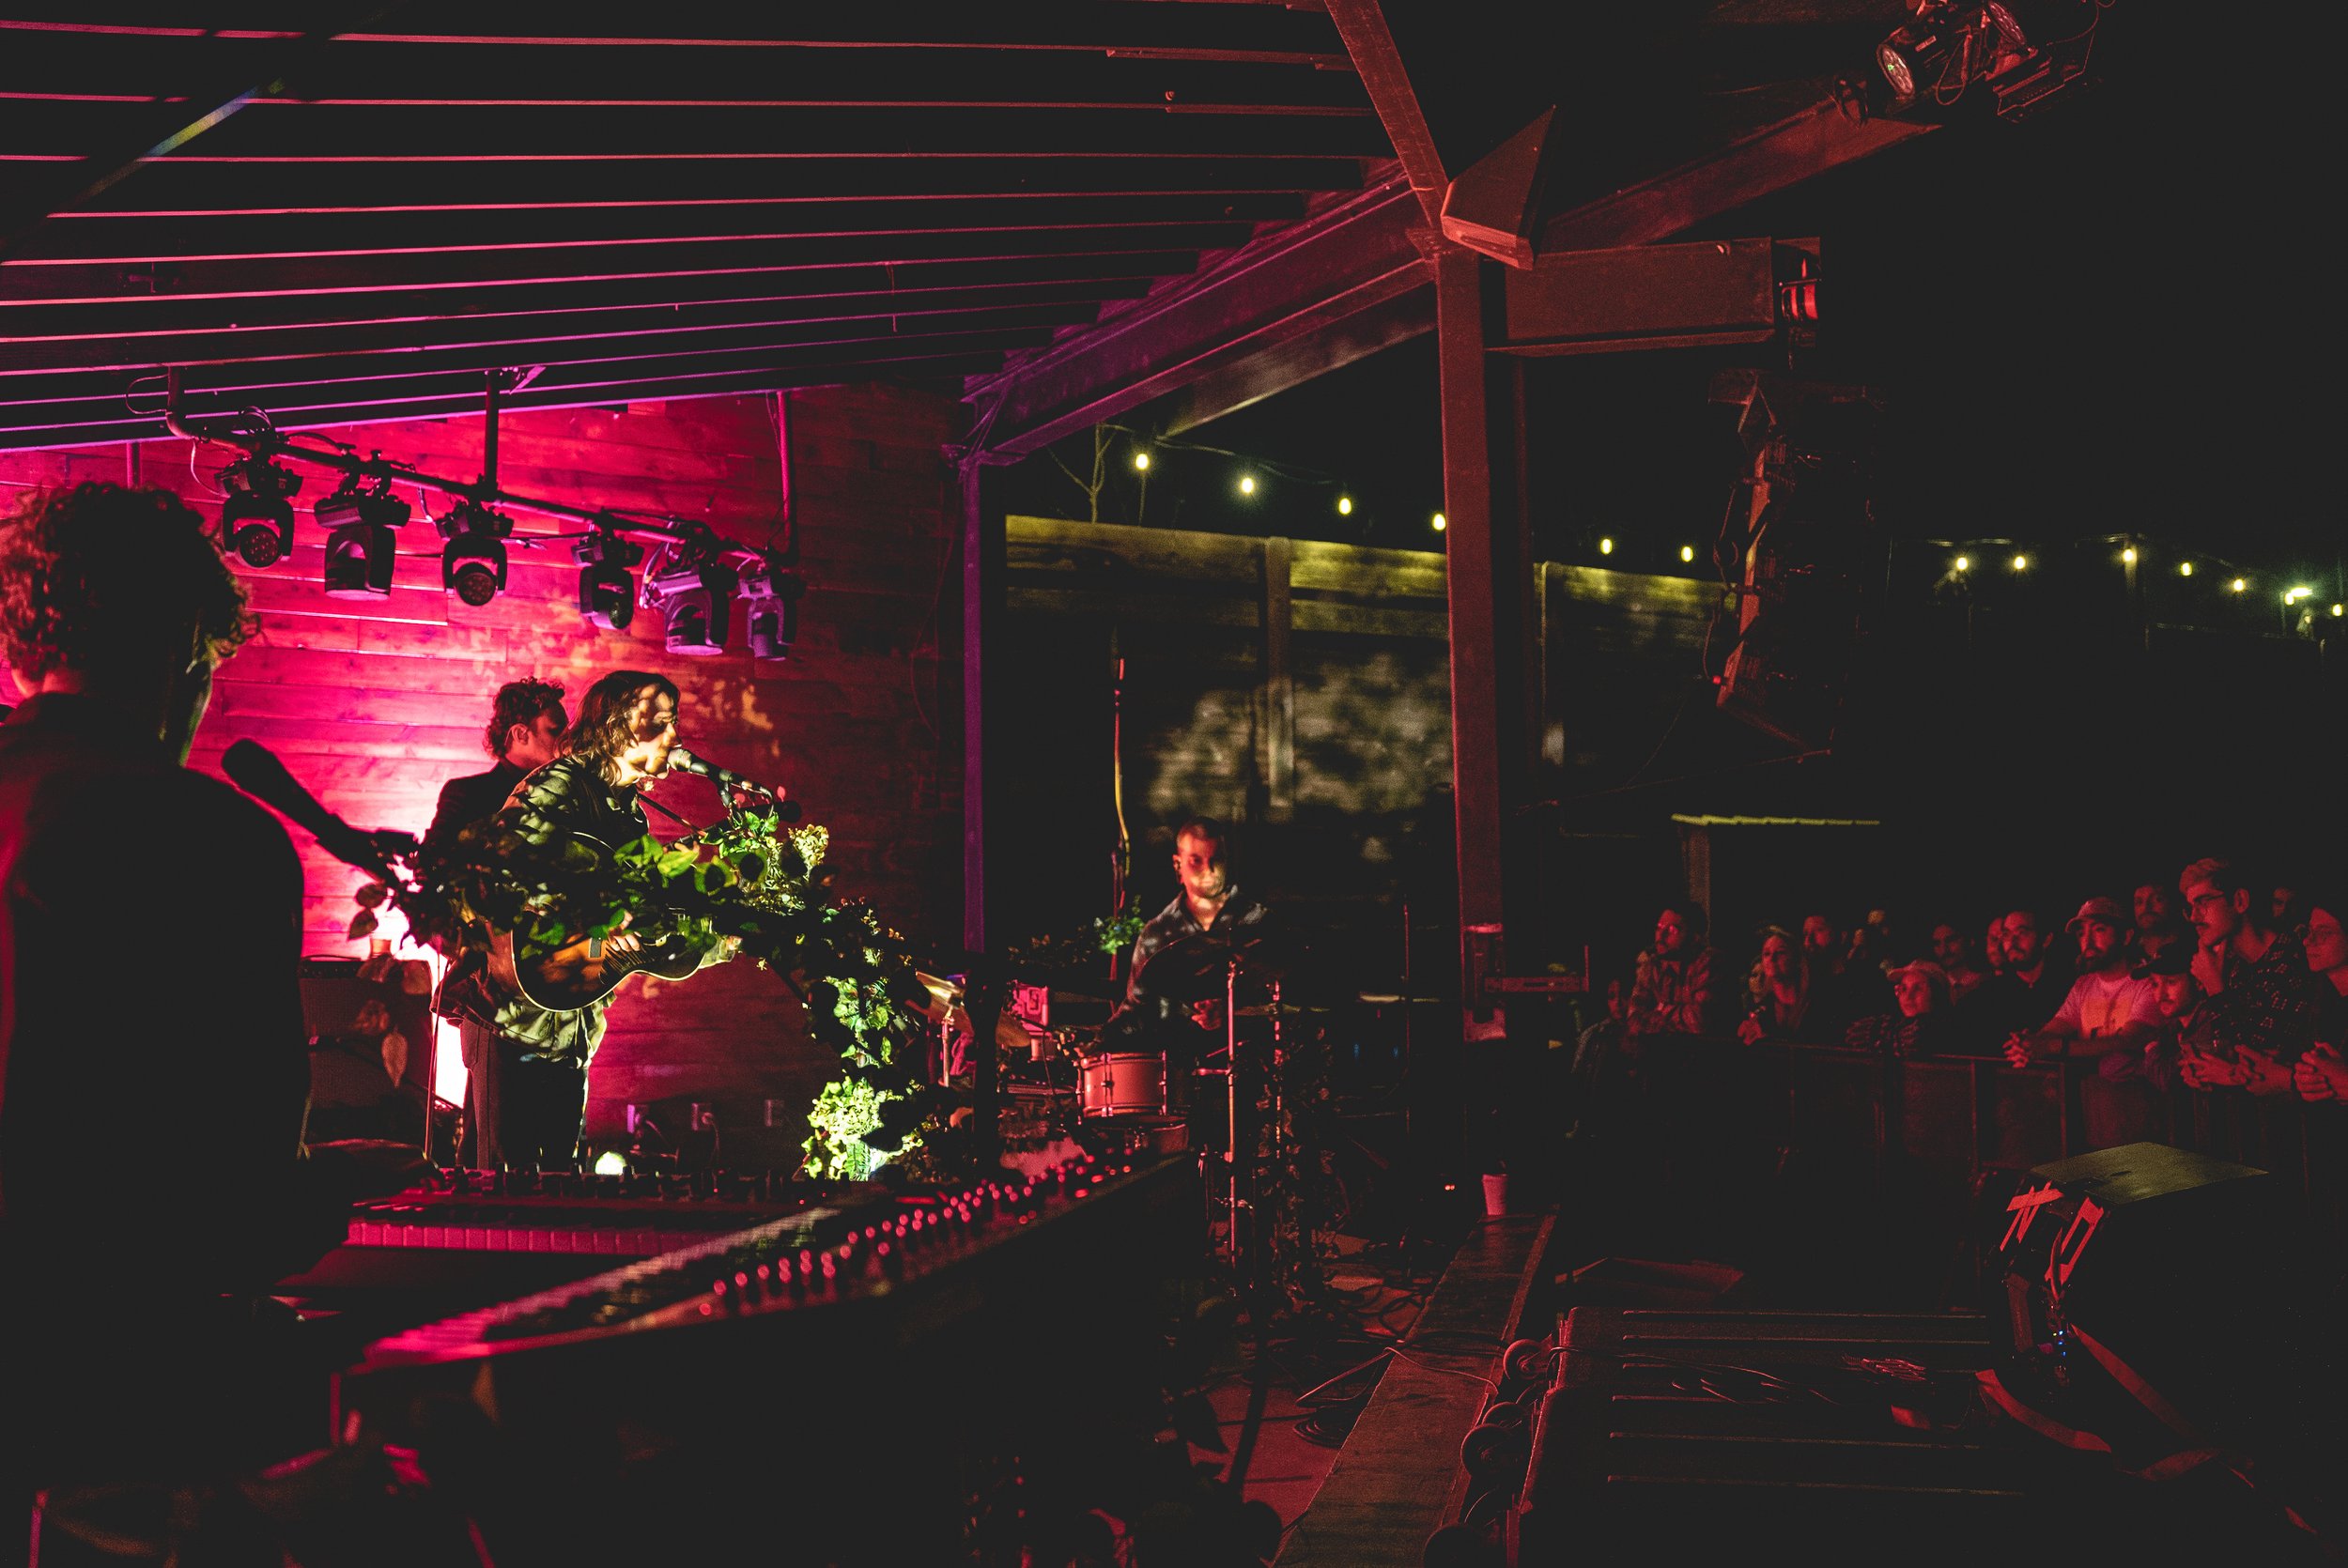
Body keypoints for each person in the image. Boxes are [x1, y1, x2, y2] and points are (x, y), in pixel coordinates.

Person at [0, 484, 347, 1519]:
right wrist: (337, 1192)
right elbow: (236, 1206)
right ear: (188, 647)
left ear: (25, 649)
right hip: (101, 1394)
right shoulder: (210, 835)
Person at [437, 669, 732, 1166]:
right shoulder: (552, 787)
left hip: (573, 1026)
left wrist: (727, 931)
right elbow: (487, 887)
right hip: (514, 1019)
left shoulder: (625, 811)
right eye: (659, 721)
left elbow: (645, 914)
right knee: (503, 1191)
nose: (675, 737)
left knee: (558, 1185)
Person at [425, 678, 569, 1165]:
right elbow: (432, 878)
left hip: (559, 994)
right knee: (498, 1147)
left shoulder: (566, 802)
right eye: (554, 729)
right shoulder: (469, 796)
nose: (563, 740)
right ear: (517, 734)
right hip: (495, 990)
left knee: (543, 1144)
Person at [1113, 817, 1271, 1102]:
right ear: (1178, 865)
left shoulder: (1259, 923)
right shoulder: (1157, 933)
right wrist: (1100, 1040)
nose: (1209, 870)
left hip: (1257, 1083)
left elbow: (1285, 1001)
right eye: (1196, 861)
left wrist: (1232, 1011)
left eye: (1216, 859)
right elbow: (1137, 1010)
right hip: (1179, 1084)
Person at [2181, 857, 2324, 1090]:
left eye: (2203, 902)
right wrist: (2198, 1065)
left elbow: (2258, 1055)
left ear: (2239, 901)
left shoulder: (2290, 960)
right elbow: (2226, 1046)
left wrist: (2216, 989)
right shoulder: (2233, 966)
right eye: (2190, 908)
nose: (2195, 917)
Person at [1625, 901, 1726, 1038]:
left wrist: (1660, 1008)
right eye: (1659, 928)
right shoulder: (1652, 966)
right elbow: (1634, 1019)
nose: (1661, 936)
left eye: (1672, 930)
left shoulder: (1709, 962)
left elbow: (1699, 1021)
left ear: (1694, 937)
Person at [1843, 959, 1954, 1058]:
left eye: (1918, 988)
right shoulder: (1889, 1024)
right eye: (1904, 989)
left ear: (1937, 994)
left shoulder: (1949, 1029)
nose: (1908, 996)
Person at [1737, 926, 1813, 1043]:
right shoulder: (1759, 1011)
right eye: (1766, 953)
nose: (1772, 958)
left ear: (1796, 959)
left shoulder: (1814, 1003)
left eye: (1781, 952)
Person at [1929, 920, 1989, 1001]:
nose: (1944, 949)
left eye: (1950, 940)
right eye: (1937, 944)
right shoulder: (1933, 988)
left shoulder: (1987, 981)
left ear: (1970, 941)